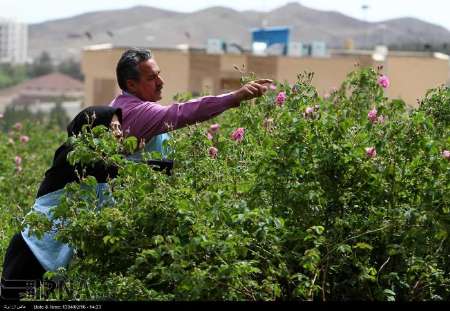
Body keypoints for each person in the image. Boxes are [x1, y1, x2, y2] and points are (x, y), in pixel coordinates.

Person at [0, 107, 123, 301]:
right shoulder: (72, 155)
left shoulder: (104, 165)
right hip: (31, 249)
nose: (118, 133)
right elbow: (114, 169)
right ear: (93, 129)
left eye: (119, 127)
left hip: (55, 255)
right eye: (111, 127)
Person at [110, 48, 272, 159]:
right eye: (152, 78)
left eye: (158, 75)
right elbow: (184, 112)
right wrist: (235, 96)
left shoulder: (120, 103)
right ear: (131, 84)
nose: (161, 82)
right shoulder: (138, 112)